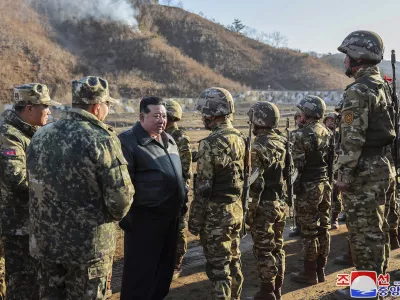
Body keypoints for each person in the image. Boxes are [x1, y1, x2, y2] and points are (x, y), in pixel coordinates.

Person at [27, 76, 134, 299]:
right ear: (97, 107)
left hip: (47, 244)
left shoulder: (41, 134)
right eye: (108, 105)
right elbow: (121, 198)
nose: (108, 110)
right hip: (88, 248)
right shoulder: (101, 138)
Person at [334, 31, 395, 299]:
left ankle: (366, 293)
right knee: (378, 234)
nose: (345, 61)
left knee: (363, 237)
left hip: (364, 171)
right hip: (383, 166)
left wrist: (343, 175)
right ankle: (376, 288)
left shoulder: (358, 90)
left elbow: (352, 138)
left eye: (347, 55)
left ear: (357, 57)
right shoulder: (382, 85)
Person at [118, 96, 187, 300]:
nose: (161, 120)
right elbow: (122, 186)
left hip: (170, 220)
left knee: (163, 275)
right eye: (156, 116)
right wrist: (132, 221)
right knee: (140, 278)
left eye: (164, 116)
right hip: (144, 224)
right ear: (142, 116)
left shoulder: (169, 140)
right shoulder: (128, 142)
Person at [0, 83, 59, 299]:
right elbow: (17, 180)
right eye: (45, 106)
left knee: (37, 283)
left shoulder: (33, 133)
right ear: (29, 108)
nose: (49, 111)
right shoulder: (9, 135)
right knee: (23, 286)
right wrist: (55, 191)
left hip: (34, 223)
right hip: (18, 226)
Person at [188, 87, 245, 300]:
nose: (202, 117)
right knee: (234, 261)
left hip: (215, 215)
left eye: (204, 113)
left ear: (211, 114)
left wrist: (194, 220)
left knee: (218, 269)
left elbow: (203, 189)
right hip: (235, 210)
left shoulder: (210, 144)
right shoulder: (239, 137)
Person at [245, 102, 287, 300]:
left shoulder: (257, 147)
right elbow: (289, 173)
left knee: (264, 251)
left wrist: (249, 213)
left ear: (258, 122)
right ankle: (277, 288)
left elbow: (254, 185)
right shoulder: (282, 142)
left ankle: (267, 292)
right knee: (278, 247)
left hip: (263, 205)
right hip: (279, 203)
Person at [290, 95, 331, 285]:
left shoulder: (301, 135)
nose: (299, 116)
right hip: (325, 184)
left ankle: (309, 272)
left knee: (308, 231)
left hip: (308, 187)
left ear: (307, 114)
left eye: (301, 113)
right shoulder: (327, 132)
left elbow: (297, 166)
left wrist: (293, 190)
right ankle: (321, 270)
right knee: (323, 228)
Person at [164, 100, 193, 280]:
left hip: (177, 189)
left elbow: (185, 167)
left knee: (179, 226)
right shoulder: (159, 135)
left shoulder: (180, 138)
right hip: (163, 189)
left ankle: (176, 262)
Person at [322, 112, 342, 230]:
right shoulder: (322, 135)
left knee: (335, 195)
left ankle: (334, 218)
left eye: (333, 120)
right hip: (324, 169)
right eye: (328, 120)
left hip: (336, 169)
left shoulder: (340, 136)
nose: (330, 122)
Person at [289, 111, 303, 238]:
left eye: (300, 117)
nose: (299, 120)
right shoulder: (292, 134)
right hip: (294, 170)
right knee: (296, 200)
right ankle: (298, 225)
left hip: (304, 171)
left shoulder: (306, 134)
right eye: (297, 118)